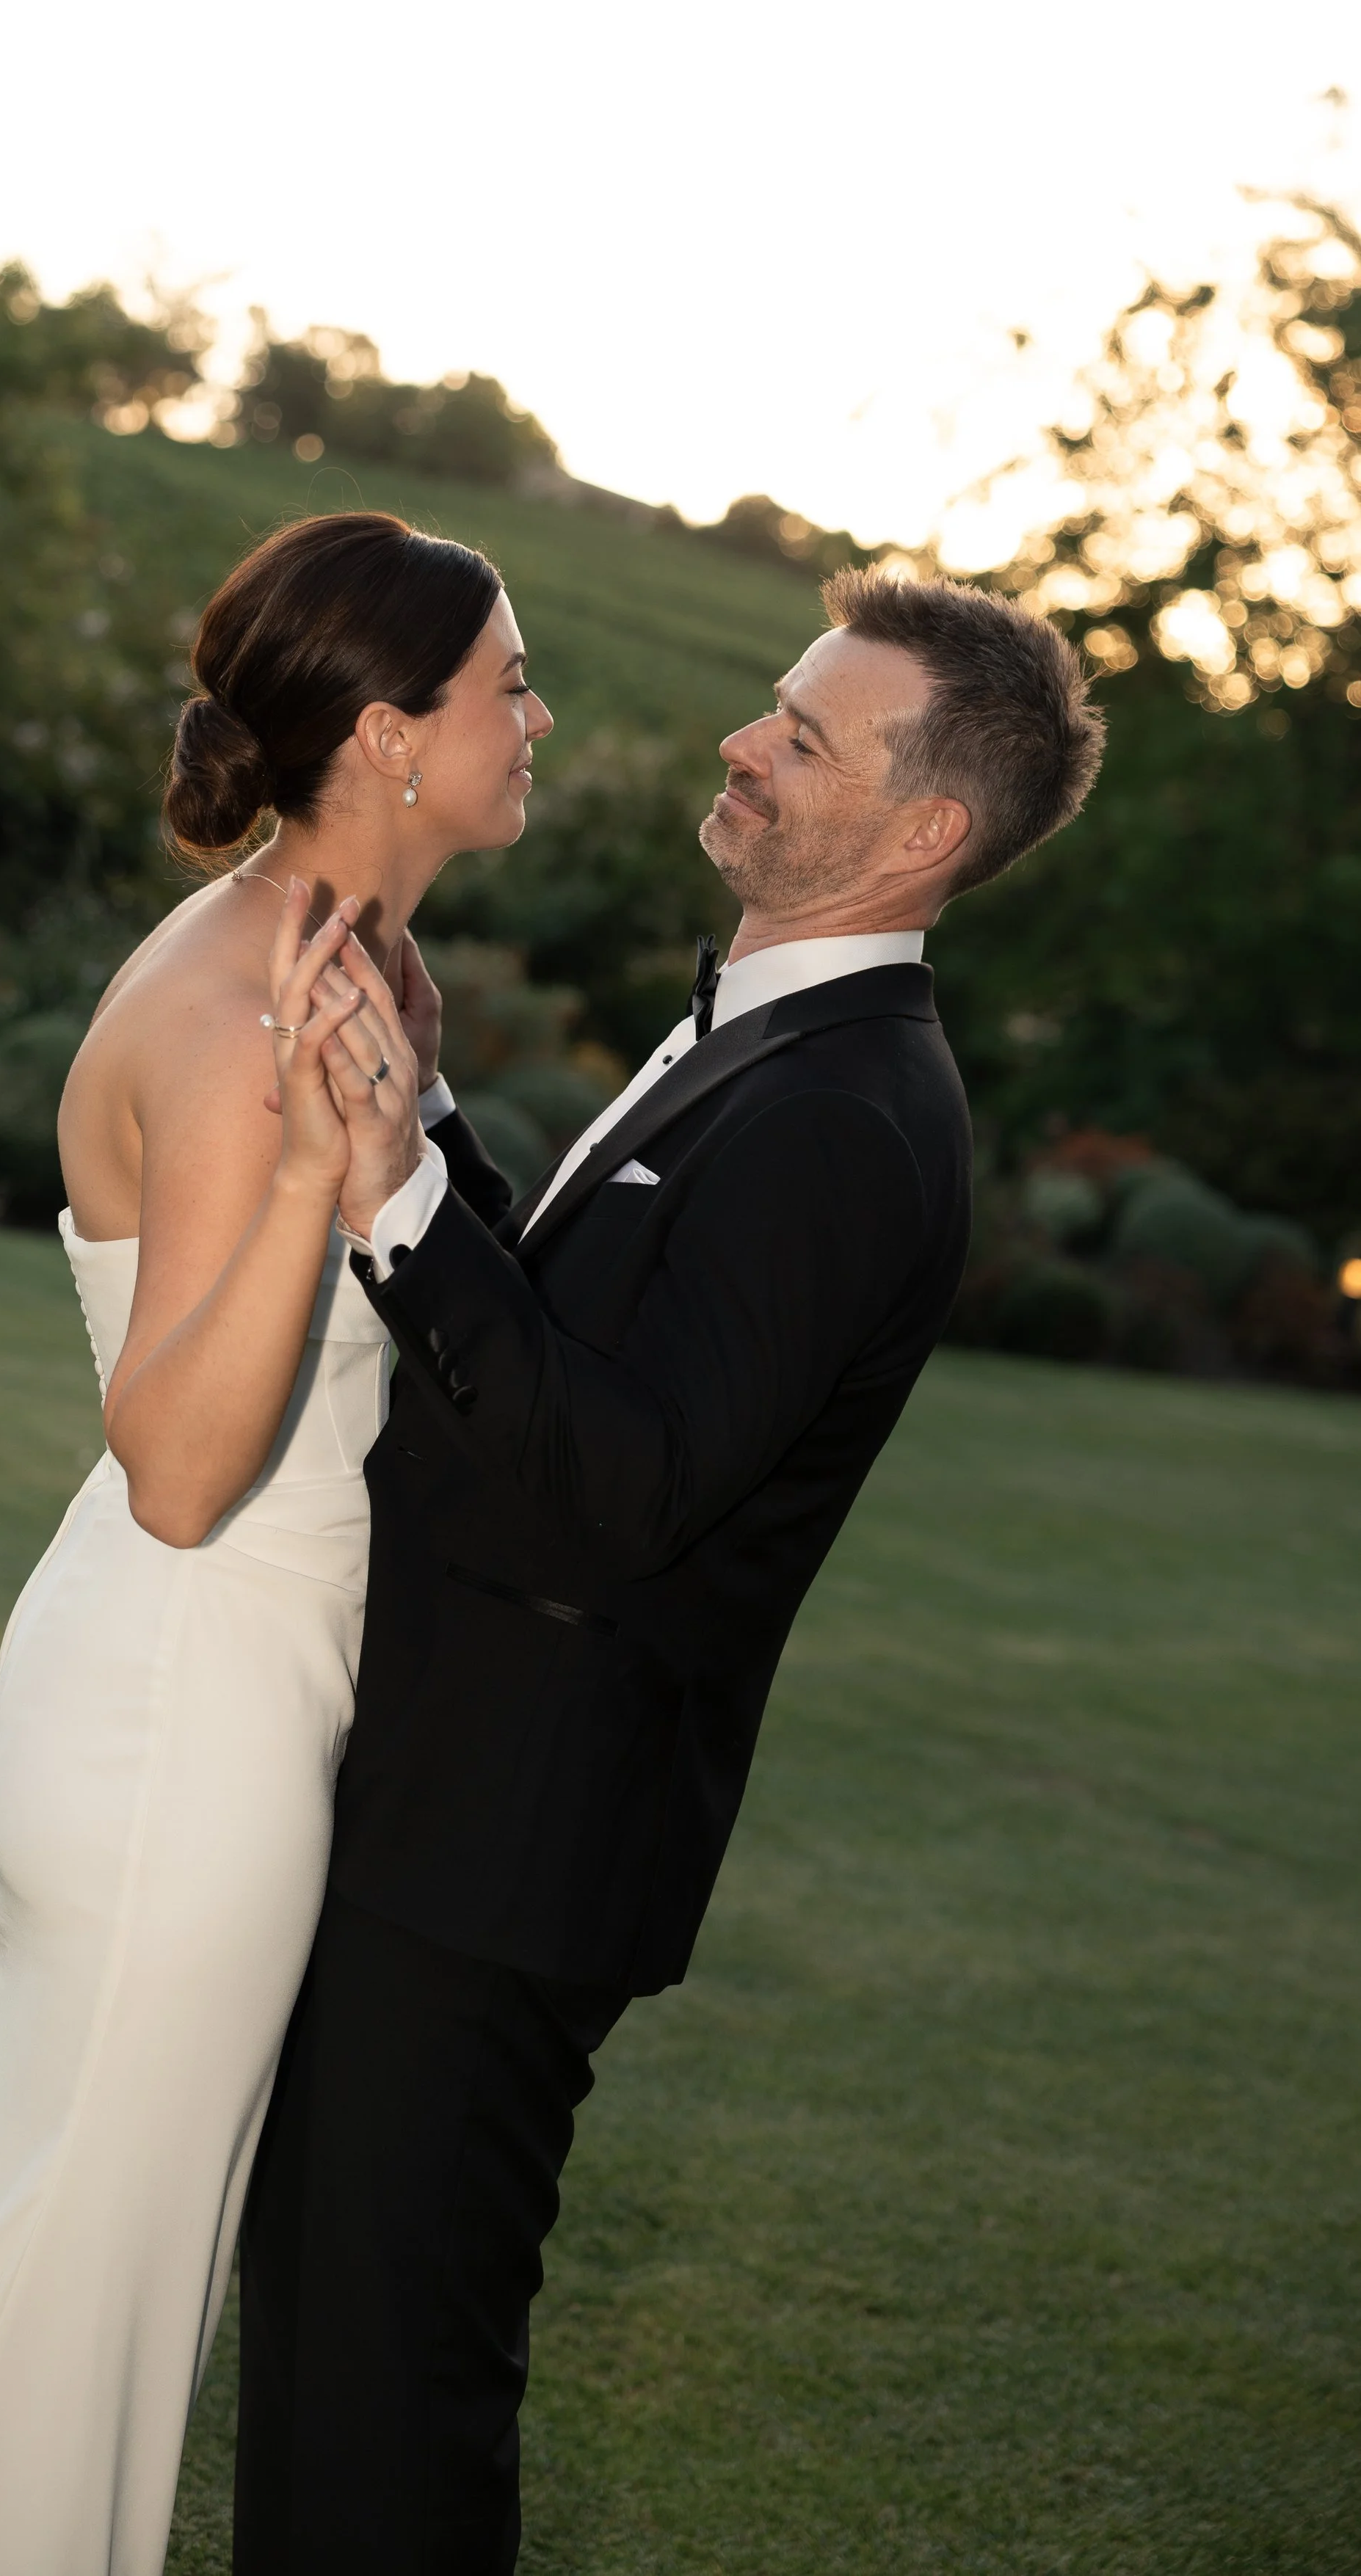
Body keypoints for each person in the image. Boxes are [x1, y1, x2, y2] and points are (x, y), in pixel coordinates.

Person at [0, 512, 553, 2576]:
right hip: (184, 1715)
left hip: (235, 1684)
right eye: (510, 680)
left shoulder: (347, 954)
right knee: (68, 2290)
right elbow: (172, 1456)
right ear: (391, 734)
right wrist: (328, 1170)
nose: (539, 717)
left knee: (38, 2247)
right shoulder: (253, 1017)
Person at [234, 567, 1107, 2573]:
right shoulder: (770, 1046)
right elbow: (593, 1365)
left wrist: (393, 1197)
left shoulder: (848, 1118)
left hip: (502, 1854)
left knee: (385, 2414)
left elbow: (613, 1493)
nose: (742, 737)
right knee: (333, 2358)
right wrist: (437, 1122)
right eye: (769, 703)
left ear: (919, 834)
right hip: (456, 1814)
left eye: (801, 734)